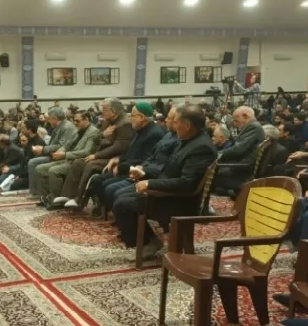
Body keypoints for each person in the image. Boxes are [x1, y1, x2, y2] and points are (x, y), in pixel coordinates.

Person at [111, 104, 217, 254]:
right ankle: (149, 241)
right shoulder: (190, 140)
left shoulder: (201, 147)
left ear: (187, 125)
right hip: (169, 194)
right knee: (121, 196)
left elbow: (186, 183)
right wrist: (144, 174)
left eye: (176, 121)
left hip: (179, 201)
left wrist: (150, 183)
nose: (172, 124)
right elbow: (170, 168)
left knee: (122, 205)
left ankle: (148, 243)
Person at [36, 111, 99, 208]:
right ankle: (46, 197)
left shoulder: (93, 132)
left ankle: (57, 200)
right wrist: (59, 152)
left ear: (86, 119)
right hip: (68, 159)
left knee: (54, 171)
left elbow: (87, 152)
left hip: (79, 162)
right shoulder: (78, 130)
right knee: (40, 168)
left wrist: (65, 155)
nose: (75, 123)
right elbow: (67, 145)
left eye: (77, 121)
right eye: (74, 121)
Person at [27, 107, 76, 198]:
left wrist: (43, 149)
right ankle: (39, 193)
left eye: (49, 118)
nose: (48, 121)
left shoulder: (67, 127)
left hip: (63, 156)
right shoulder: (60, 126)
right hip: (54, 153)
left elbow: (61, 146)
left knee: (33, 162)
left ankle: (36, 192)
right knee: (34, 161)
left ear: (55, 118)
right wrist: (43, 150)